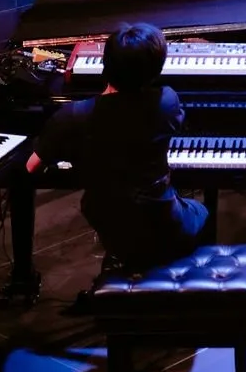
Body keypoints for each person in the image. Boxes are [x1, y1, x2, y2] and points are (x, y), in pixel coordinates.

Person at [25, 23, 209, 272]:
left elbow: (32, 166)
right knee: (200, 210)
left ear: (105, 63)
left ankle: (124, 265)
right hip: (163, 221)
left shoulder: (73, 116)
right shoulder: (167, 101)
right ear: (156, 70)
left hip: (110, 225)